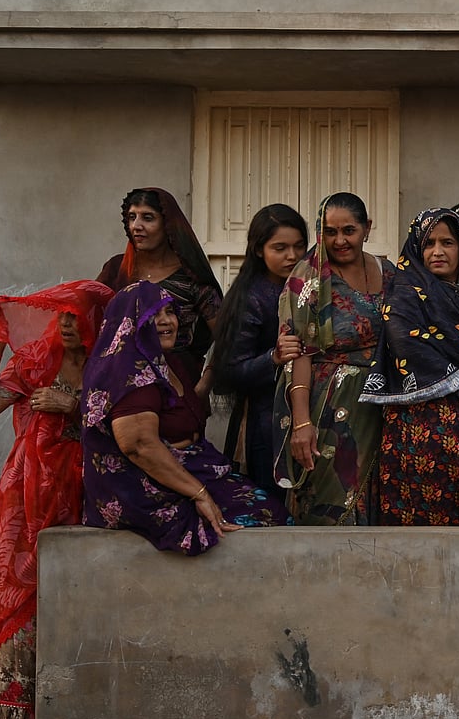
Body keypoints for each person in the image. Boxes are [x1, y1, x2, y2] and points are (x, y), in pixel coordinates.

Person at [0, 281, 113, 719]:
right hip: (26, 496)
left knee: (70, 607)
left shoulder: (110, 369)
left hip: (87, 497)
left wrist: (75, 408)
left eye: (76, 315)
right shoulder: (36, 362)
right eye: (61, 315)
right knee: (20, 606)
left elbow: (135, 428)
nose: (67, 323)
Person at [82, 282, 290, 554]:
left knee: (272, 512)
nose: (167, 321)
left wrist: (212, 371)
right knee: (254, 518)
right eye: (154, 314)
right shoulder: (130, 373)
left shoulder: (167, 362)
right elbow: (139, 446)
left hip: (191, 468)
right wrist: (199, 493)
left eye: (170, 312)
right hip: (147, 485)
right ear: (129, 323)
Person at [360, 207, 459, 525]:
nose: (437, 251)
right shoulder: (405, 293)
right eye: (429, 243)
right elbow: (407, 342)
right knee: (418, 513)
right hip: (419, 424)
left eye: (447, 243)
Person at [273, 193, 395, 525]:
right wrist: (301, 423)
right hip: (329, 411)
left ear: (367, 229)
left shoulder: (388, 273)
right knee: (331, 505)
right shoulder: (307, 280)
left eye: (349, 231)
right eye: (330, 232)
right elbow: (298, 354)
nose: (339, 241)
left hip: (384, 405)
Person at [210, 204, 308, 494]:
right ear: (258, 250)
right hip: (266, 424)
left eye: (299, 246)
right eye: (280, 248)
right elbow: (227, 374)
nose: (292, 256)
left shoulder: (312, 289)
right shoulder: (250, 298)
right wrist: (273, 358)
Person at [96, 187, 223, 393]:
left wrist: (204, 384)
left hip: (179, 385)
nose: (137, 226)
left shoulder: (191, 278)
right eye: (132, 217)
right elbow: (89, 320)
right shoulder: (116, 270)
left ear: (167, 224)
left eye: (148, 218)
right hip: (121, 388)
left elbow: (228, 335)